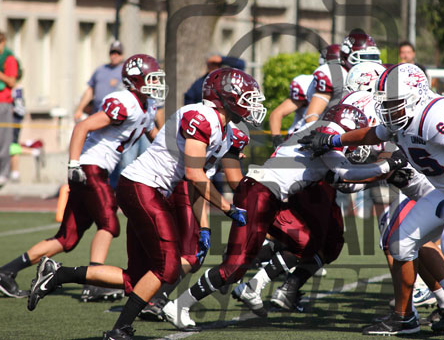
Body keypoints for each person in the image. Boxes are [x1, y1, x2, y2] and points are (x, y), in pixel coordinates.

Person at [26, 67, 264, 340]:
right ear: (225, 97)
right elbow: (194, 174)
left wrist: (205, 227)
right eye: (246, 96)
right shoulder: (201, 116)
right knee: (168, 266)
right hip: (142, 186)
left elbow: (198, 185)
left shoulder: (225, 133)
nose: (251, 103)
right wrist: (229, 208)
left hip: (150, 190)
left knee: (136, 277)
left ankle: (57, 275)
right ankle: (120, 330)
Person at [299, 63, 444, 338]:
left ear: (415, 97)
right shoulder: (399, 118)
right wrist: (333, 141)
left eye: (394, 103)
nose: (388, 109)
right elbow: (373, 133)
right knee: (400, 242)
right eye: (386, 103)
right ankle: (404, 317)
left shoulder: (433, 114)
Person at [162, 104, 406, 330]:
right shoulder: (327, 132)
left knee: (306, 242)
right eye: (356, 133)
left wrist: (382, 175)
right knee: (234, 268)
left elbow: (343, 180)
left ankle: (253, 284)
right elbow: (346, 171)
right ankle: (180, 304)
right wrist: (387, 167)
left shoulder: (318, 132)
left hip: (269, 196)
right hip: (259, 194)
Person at [0, 54, 163, 302]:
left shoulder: (147, 106)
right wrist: (73, 163)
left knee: (67, 238)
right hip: (90, 166)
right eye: (151, 78)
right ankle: (94, 284)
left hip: (97, 168)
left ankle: (6, 271)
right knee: (110, 223)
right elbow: (82, 126)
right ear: (135, 80)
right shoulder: (125, 101)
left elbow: (157, 140)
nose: (156, 84)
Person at [74, 40, 125, 122]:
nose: (115, 56)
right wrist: (80, 109)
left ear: (122, 55)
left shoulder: (125, 71)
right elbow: (90, 90)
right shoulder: (100, 69)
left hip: (115, 115)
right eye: (112, 53)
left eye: (118, 53)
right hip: (97, 111)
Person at [0, 31, 19, 187]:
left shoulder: (9, 59)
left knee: (4, 139)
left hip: (3, 102)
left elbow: (12, 81)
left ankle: (4, 173)